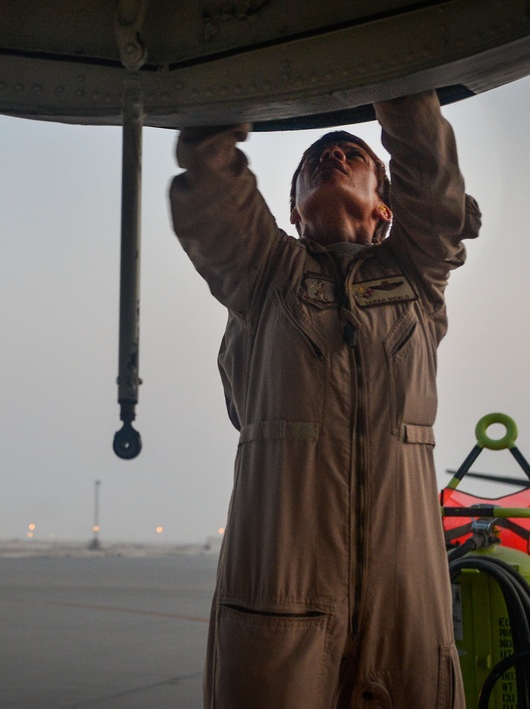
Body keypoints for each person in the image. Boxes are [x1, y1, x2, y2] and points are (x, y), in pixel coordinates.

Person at [169, 90, 481, 708]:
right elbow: (212, 191)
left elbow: (433, 185)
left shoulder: (419, 275)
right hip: (279, 591)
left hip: (406, 595)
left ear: (385, 207)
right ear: (291, 211)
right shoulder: (263, 274)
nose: (332, 155)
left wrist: (396, 76)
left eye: (352, 153)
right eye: (314, 158)